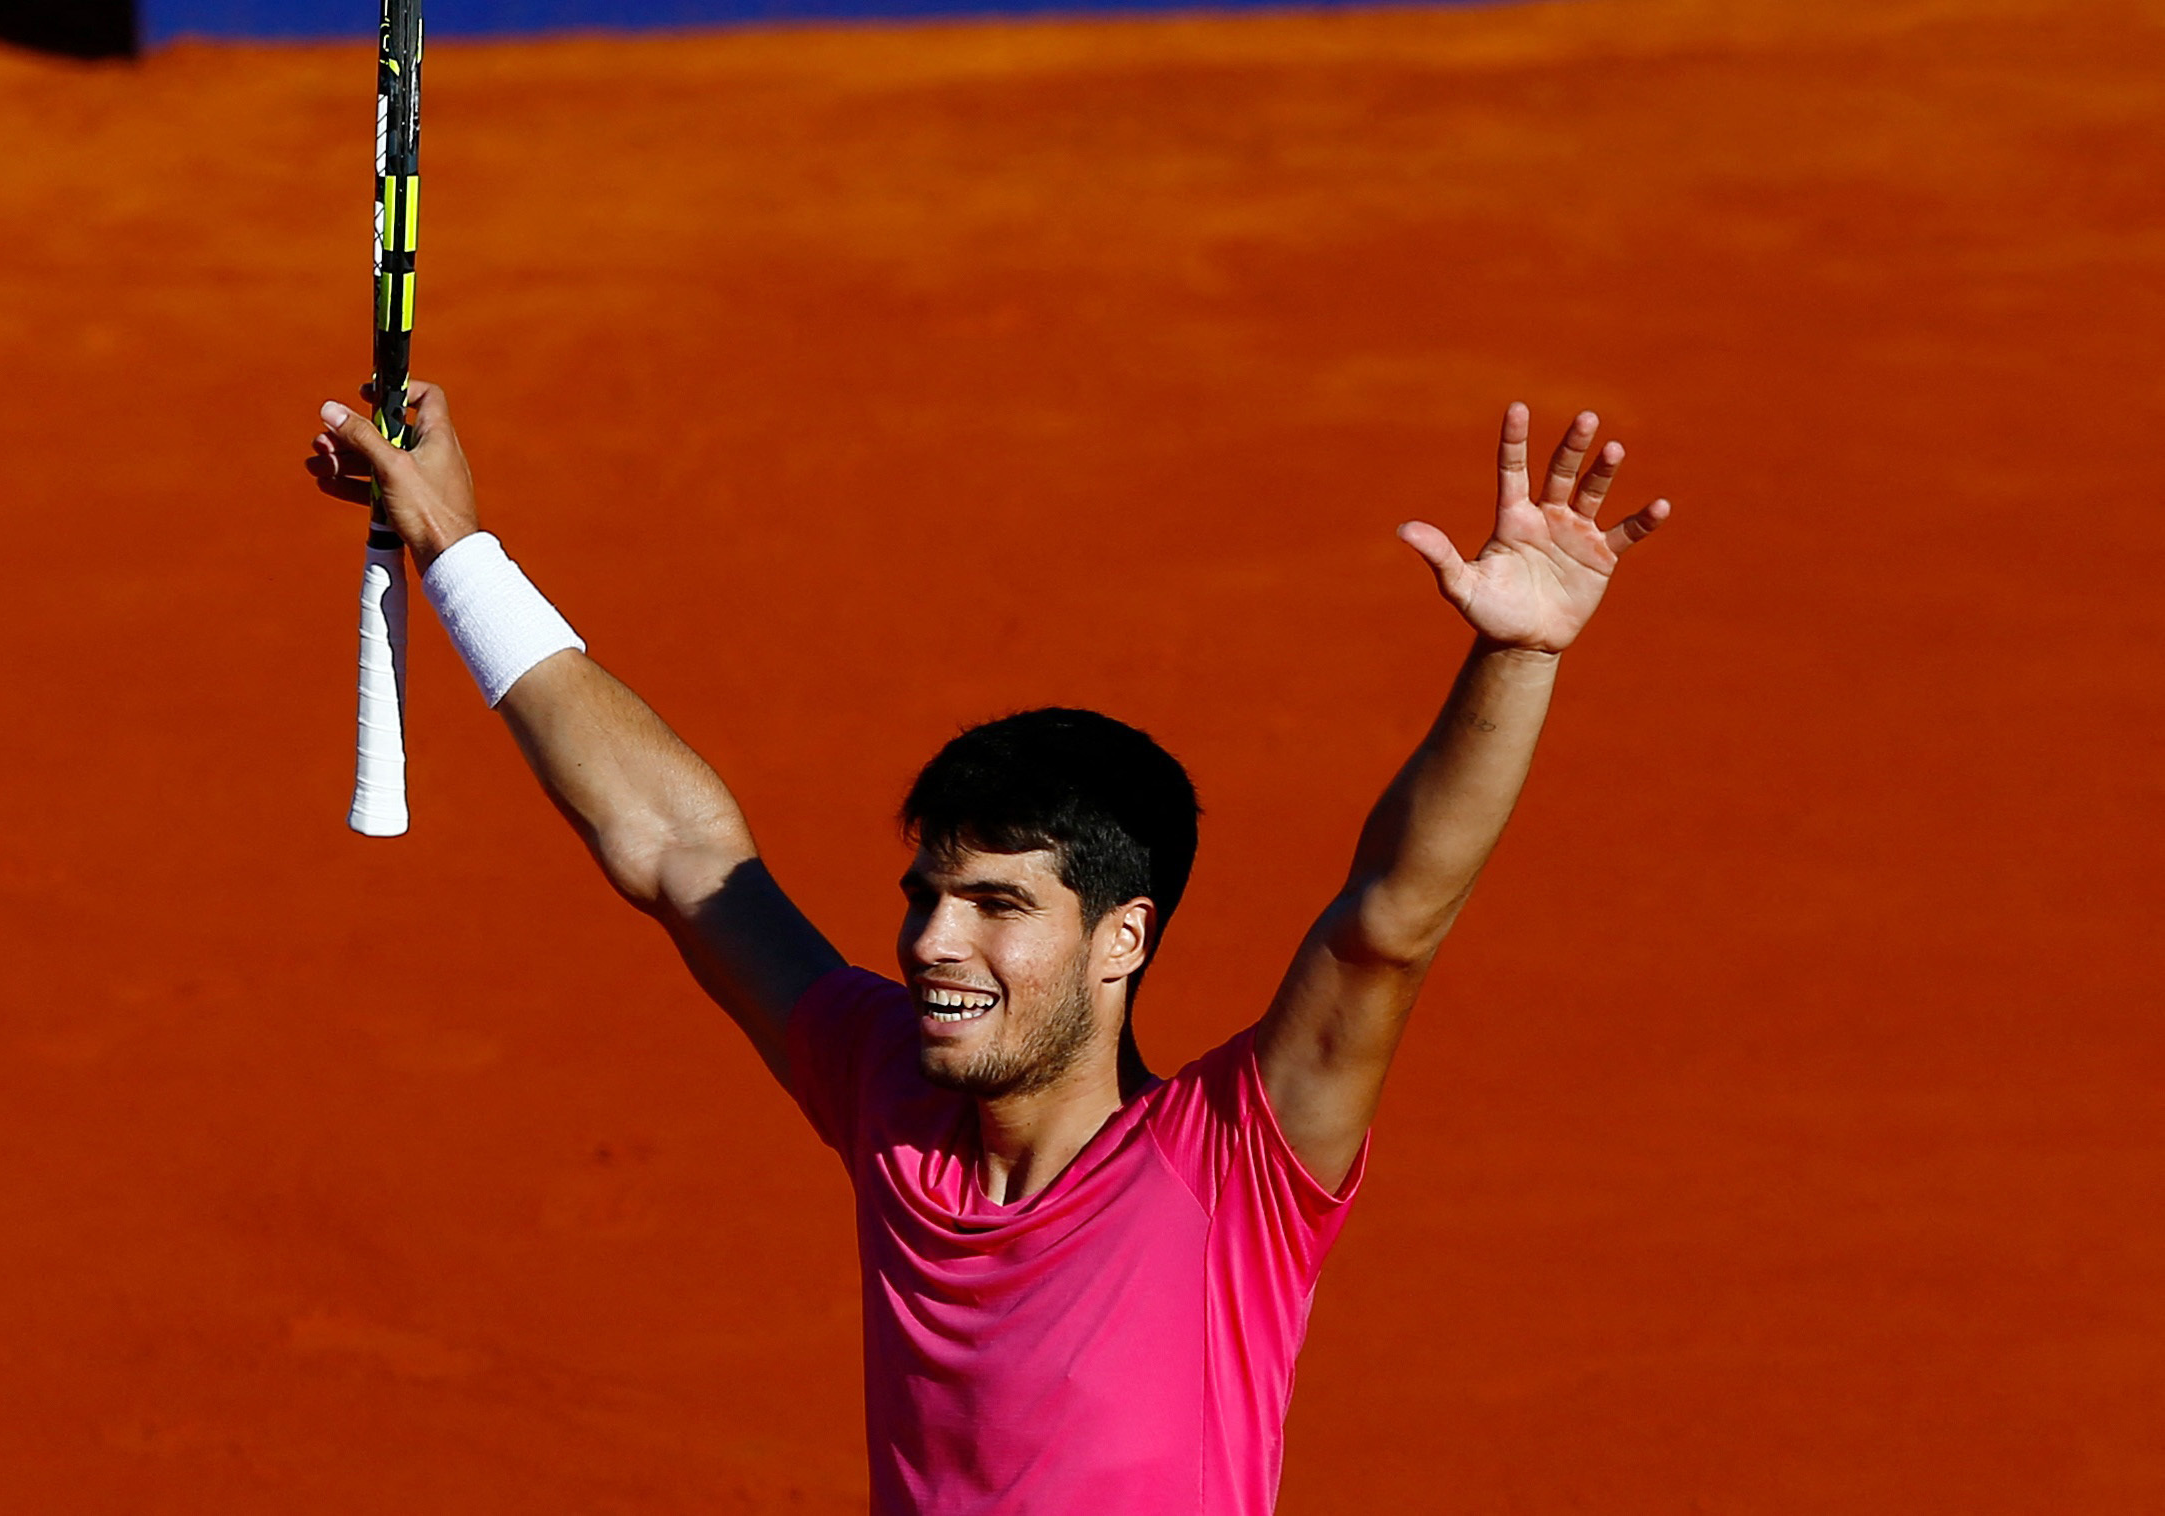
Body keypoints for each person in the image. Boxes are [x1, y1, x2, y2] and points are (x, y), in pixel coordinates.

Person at [306, 386, 1670, 1515]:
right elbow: (672, 848)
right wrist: (461, 554)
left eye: (997, 905)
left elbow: (1388, 924)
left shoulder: (1232, 1166)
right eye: (927, 894)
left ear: (1120, 939)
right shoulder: (887, 1092)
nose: (927, 943)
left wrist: (1516, 659)